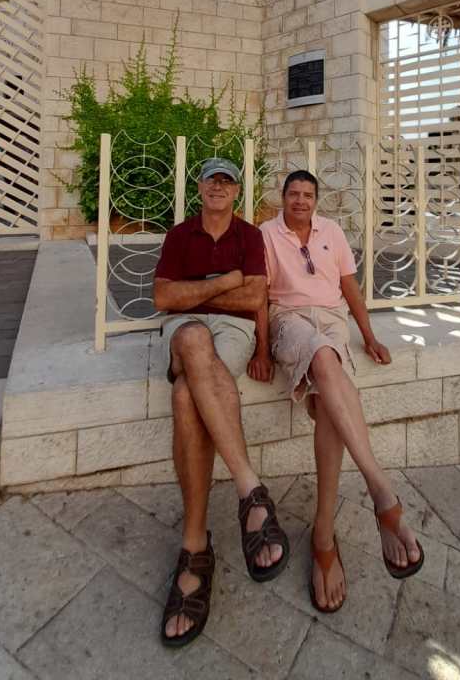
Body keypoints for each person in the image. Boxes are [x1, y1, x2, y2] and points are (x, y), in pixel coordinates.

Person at [250, 169, 423, 613]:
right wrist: (262, 350)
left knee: (331, 403)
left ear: (316, 200)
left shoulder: (332, 232)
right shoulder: (266, 234)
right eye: (293, 194)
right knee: (327, 362)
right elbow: (259, 296)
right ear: (282, 197)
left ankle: (324, 534)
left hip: (331, 320)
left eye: (308, 195)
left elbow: (349, 287)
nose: (300, 201)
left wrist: (369, 336)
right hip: (289, 320)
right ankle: (380, 490)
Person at [154, 157, 290, 647]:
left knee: (186, 392)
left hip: (233, 331)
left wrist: (198, 295)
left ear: (236, 191)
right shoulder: (179, 235)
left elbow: (255, 299)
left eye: (226, 181)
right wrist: (223, 282)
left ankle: (195, 547)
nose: (217, 186)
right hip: (183, 329)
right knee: (192, 337)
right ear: (199, 187)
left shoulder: (249, 236)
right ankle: (250, 490)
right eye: (210, 179)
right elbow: (163, 299)